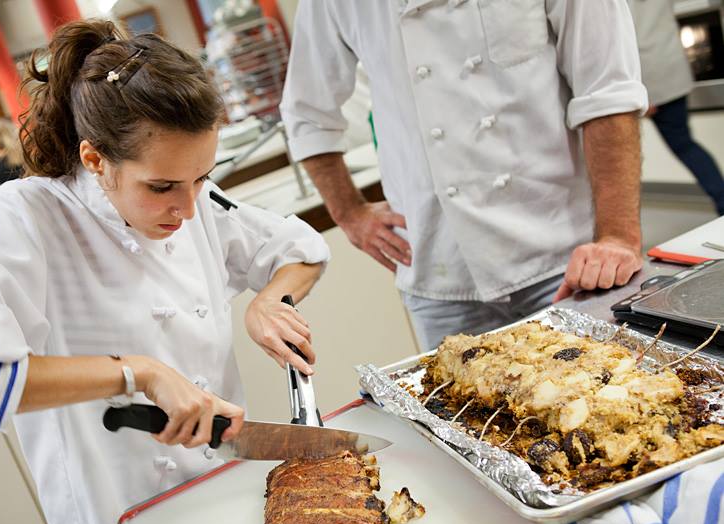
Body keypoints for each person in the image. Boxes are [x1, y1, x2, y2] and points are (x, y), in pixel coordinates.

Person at [0, 20, 329, 524]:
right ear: (94, 160)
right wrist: (138, 371)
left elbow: (301, 250)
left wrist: (270, 299)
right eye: (161, 187)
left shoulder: (188, 200)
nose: (189, 208)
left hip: (228, 498)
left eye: (202, 177)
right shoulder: (27, 215)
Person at [281, 1, 649, 351]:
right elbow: (307, 113)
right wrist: (349, 213)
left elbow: (606, 92)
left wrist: (617, 236)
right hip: (438, 274)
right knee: (466, 412)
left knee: (607, 396)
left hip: (566, 256)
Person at [628, 0, 724, 216]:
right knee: (685, 145)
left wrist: (643, 92)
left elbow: (622, 40)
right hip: (673, 71)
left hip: (647, 80)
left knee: (625, 154)